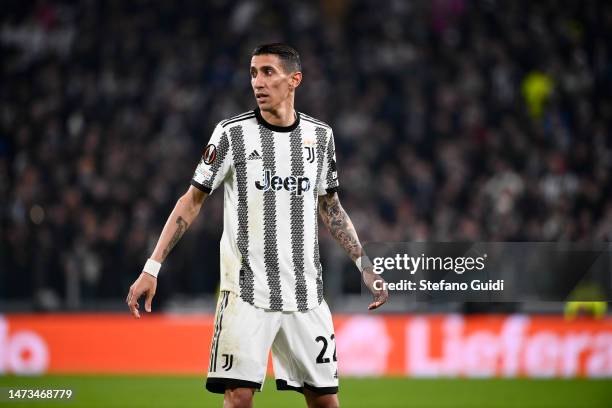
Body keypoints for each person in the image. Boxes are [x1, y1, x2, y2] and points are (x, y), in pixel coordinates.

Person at [126, 43, 388, 408]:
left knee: (326, 401)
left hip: (305, 294)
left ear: (294, 79)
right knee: (238, 398)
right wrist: (152, 267)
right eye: (253, 73)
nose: (258, 82)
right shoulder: (231, 134)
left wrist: (365, 266)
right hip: (246, 293)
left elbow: (332, 208)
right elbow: (191, 201)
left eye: (268, 72)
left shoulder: (320, 136)